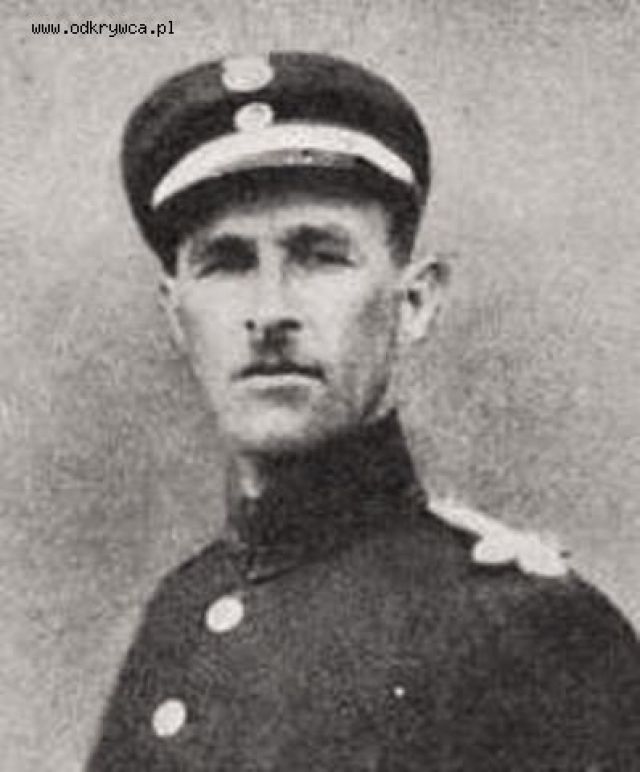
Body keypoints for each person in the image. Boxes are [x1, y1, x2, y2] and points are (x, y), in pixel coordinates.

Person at [87, 52, 639, 771]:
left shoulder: (527, 630)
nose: (270, 312)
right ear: (176, 317)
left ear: (415, 303)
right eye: (226, 262)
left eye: (320, 256)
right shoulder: (179, 614)